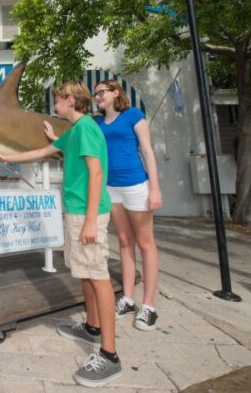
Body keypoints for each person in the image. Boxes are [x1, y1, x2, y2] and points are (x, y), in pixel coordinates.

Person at [0, 81, 121, 388]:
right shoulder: (74, 131)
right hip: (76, 210)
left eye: (58, 99)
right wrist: (7, 156)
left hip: (87, 213)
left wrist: (90, 221)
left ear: (70, 100)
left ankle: (110, 356)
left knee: (98, 276)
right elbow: (44, 150)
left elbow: (96, 173)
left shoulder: (87, 128)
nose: (55, 104)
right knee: (85, 273)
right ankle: (92, 327)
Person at [92, 79, 162, 331]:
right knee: (124, 241)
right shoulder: (98, 123)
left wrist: (154, 188)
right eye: (96, 93)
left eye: (102, 92)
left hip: (135, 185)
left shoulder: (133, 115)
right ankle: (128, 299)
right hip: (111, 187)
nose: (98, 96)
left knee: (145, 243)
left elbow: (148, 151)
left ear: (115, 93)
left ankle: (149, 306)